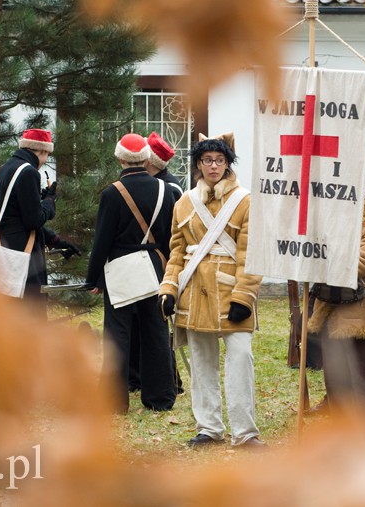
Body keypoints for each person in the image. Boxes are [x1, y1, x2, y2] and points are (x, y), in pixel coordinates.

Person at [157, 133, 264, 448]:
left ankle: (245, 433)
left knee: (241, 359)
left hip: (233, 292)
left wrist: (244, 296)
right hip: (195, 292)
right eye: (207, 160)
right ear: (198, 165)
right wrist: (169, 290)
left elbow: (251, 254)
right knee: (202, 363)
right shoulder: (184, 203)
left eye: (219, 160)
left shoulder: (245, 201)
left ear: (228, 163)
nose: (214, 166)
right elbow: (177, 252)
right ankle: (209, 428)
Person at [85, 133, 177, 413]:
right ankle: (160, 397)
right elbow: (169, 236)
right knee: (157, 332)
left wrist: (93, 278)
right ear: (147, 158)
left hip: (121, 268)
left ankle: (114, 401)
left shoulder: (112, 193)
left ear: (120, 158)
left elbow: (102, 239)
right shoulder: (165, 189)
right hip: (154, 267)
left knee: (118, 335)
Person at [307, 178, 365, 434]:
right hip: (328, 306)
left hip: (359, 308)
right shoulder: (330, 217)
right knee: (337, 383)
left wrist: (322, 250)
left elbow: (361, 264)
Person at [0, 129, 80, 316]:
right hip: (24, 257)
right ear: (42, 151)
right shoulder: (29, 173)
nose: (46, 160)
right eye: (47, 154)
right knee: (31, 316)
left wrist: (56, 240)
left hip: (5, 249)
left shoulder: (5, 168)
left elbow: (15, 218)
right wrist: (49, 201)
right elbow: (34, 220)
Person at [127, 131, 185, 395]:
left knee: (157, 326)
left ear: (149, 161)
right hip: (154, 261)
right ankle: (138, 377)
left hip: (160, 262)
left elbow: (171, 233)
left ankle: (172, 381)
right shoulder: (164, 184)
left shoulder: (168, 188)